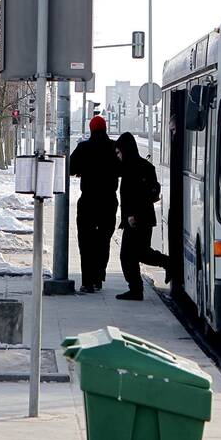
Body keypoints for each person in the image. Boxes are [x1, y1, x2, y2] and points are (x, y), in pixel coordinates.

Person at [114, 131, 170, 301]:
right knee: (141, 253)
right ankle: (167, 263)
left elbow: (138, 195)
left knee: (128, 255)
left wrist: (132, 216)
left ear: (125, 149)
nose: (117, 156)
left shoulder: (132, 169)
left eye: (118, 152)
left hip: (137, 220)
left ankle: (136, 289)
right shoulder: (140, 166)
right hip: (142, 218)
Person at [69, 115, 119, 294]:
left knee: (86, 241)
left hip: (88, 201)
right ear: (105, 129)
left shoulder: (83, 147)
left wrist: (82, 171)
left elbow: (70, 168)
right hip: (108, 201)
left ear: (91, 129)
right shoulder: (114, 147)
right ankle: (99, 277)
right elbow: (121, 169)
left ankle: (87, 282)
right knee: (103, 240)